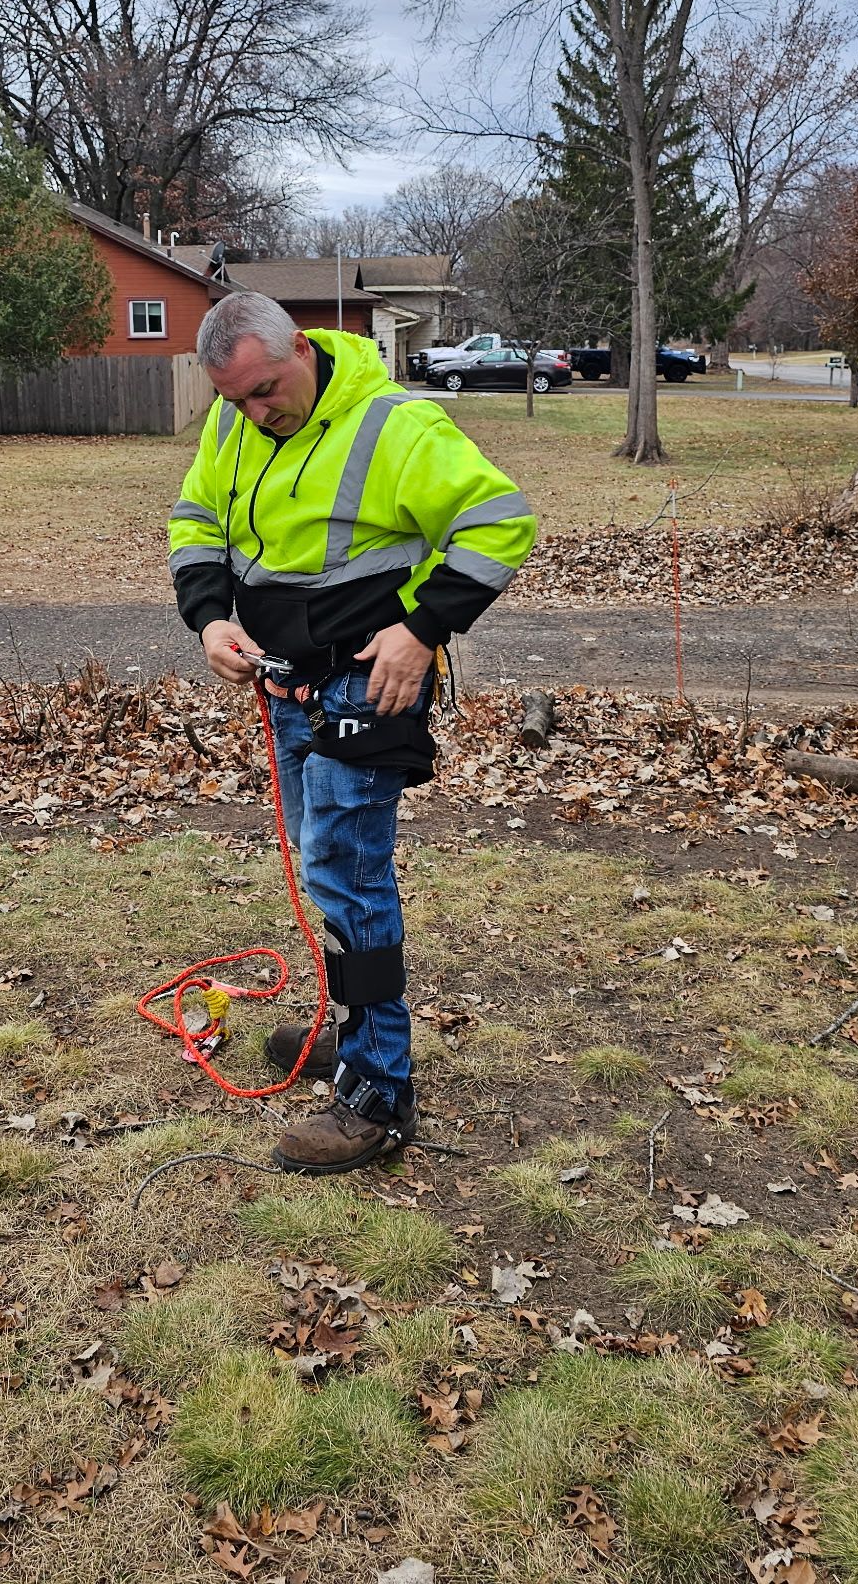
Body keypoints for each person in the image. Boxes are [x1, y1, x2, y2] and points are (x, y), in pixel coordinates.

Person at [168, 292, 536, 1173]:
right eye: (236, 401)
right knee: (323, 865)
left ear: (302, 347)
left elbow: (500, 522)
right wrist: (211, 618)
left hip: (365, 686)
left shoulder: (393, 424)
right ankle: (352, 1030)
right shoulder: (234, 425)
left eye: (265, 390)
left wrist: (421, 631)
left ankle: (378, 1092)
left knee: (347, 872)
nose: (257, 414)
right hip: (285, 687)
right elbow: (197, 524)